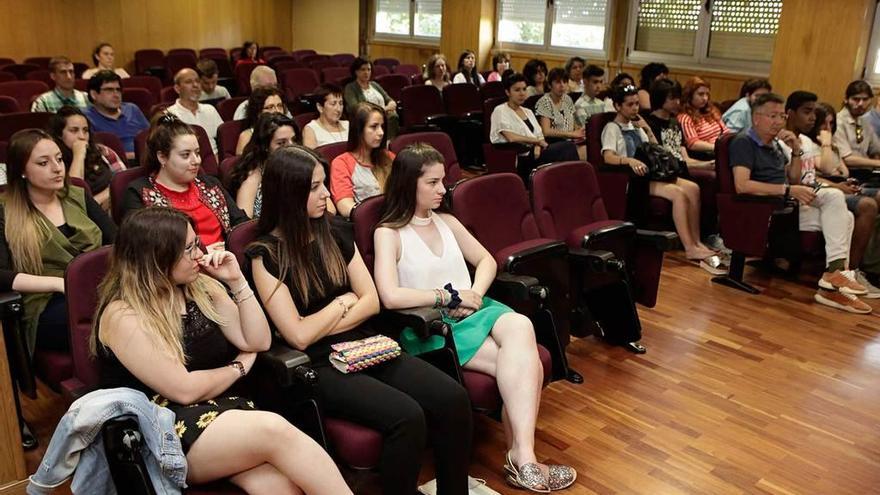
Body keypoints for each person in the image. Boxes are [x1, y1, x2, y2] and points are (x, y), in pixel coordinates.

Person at [246, 145, 473, 495]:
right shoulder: (265, 255)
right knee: (407, 417)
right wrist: (340, 306)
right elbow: (299, 336)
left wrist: (326, 317)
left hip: (367, 342)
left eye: (324, 184)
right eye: (314, 187)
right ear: (289, 194)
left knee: (453, 398)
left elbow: (370, 302)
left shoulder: (335, 231)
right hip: (320, 364)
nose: (326, 194)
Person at [93, 207, 352, 494]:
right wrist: (239, 367)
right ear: (156, 258)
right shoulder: (122, 315)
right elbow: (184, 391)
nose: (199, 254)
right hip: (163, 428)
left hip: (225, 408)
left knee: (280, 487)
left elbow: (257, 341)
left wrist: (235, 281)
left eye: (197, 243)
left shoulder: (199, 286)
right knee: (275, 430)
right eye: (188, 249)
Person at [373, 143, 577, 492]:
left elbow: (486, 261)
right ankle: (522, 459)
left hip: (474, 310)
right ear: (409, 183)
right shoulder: (388, 233)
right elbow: (389, 295)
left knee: (521, 324)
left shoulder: (448, 221)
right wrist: (445, 296)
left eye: (442, 182)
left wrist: (476, 295)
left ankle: (522, 455)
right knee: (527, 366)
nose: (442, 190)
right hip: (433, 326)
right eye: (433, 183)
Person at [730, 93, 869, 313]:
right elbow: (742, 185)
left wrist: (796, 150)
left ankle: (834, 281)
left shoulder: (775, 144)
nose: (778, 121)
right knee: (840, 206)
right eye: (772, 116)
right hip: (768, 212)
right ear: (756, 118)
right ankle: (834, 282)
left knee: (843, 210)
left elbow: (794, 178)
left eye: (781, 116)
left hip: (787, 205)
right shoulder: (743, 142)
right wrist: (787, 190)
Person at [0, 129, 115, 355]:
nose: (57, 168)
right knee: (114, 317)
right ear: (22, 170)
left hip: (98, 285)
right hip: (47, 301)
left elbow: (119, 240)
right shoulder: (4, 210)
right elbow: (0, 274)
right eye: (43, 163)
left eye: (60, 159)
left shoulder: (77, 193)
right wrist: (58, 283)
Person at [602, 84, 721, 272]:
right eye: (630, 105)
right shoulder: (612, 127)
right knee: (678, 194)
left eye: (636, 104)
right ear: (618, 106)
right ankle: (689, 248)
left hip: (650, 173)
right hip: (631, 179)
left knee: (693, 188)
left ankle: (697, 241)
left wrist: (647, 130)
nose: (635, 108)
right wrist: (629, 160)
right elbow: (608, 156)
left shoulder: (637, 125)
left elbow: (655, 149)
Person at [785, 91, 880, 297]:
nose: (812, 117)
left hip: (816, 195)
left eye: (813, 112)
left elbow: (814, 176)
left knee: (846, 215)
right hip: (797, 201)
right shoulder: (786, 142)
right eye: (807, 112)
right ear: (790, 114)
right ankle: (839, 274)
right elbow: (799, 180)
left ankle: (841, 279)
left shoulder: (806, 142)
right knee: (844, 201)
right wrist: (834, 186)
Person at [121, 115, 248, 250]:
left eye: (197, 153)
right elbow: (146, 248)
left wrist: (228, 249)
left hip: (226, 259)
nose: (196, 161)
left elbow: (241, 225)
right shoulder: (139, 192)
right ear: (162, 157)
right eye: (185, 155)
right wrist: (203, 253)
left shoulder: (210, 184)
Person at [489, 72, 579, 180]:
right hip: (518, 156)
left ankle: (568, 183)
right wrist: (536, 142)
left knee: (567, 148)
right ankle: (574, 182)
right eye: (517, 90)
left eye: (524, 89)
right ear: (508, 92)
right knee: (567, 147)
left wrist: (537, 146)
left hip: (536, 152)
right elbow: (511, 137)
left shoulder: (527, 111)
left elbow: (539, 134)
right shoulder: (500, 110)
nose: (522, 93)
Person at [47, 106, 126, 209]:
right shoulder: (54, 162)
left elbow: (124, 181)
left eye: (85, 130)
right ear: (59, 135)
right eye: (74, 130)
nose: (82, 136)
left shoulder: (103, 151)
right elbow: (73, 200)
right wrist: (78, 155)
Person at [330, 102, 394, 218]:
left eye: (382, 126)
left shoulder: (389, 157)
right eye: (374, 127)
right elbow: (345, 206)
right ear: (359, 130)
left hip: (396, 218)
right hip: (366, 224)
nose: (381, 132)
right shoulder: (342, 163)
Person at [228, 113, 298, 218]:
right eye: (281, 143)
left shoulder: (302, 165)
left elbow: (329, 209)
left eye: (294, 140)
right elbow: (244, 224)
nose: (291, 146)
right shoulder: (252, 178)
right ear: (265, 146)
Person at [83, 70, 149, 160]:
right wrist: (134, 156)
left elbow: (151, 138)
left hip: (145, 161)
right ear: (94, 94)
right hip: (112, 166)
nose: (116, 95)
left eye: (118, 90)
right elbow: (95, 152)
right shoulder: (86, 117)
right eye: (109, 90)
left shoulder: (132, 109)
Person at [167, 68, 224, 154]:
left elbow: (224, 138)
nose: (195, 85)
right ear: (177, 88)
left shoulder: (210, 109)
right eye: (189, 82)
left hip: (215, 159)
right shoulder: (170, 115)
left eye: (197, 81)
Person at [343, 57, 399, 140]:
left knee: (393, 116)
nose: (366, 73)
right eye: (363, 70)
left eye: (369, 70)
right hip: (367, 119)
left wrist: (391, 104)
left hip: (384, 116)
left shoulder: (374, 84)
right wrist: (384, 109)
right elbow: (356, 108)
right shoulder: (350, 88)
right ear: (356, 71)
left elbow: (390, 100)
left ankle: (390, 143)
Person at [534, 68, 585, 159]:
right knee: (574, 149)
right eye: (558, 82)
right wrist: (571, 134)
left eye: (564, 82)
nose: (562, 85)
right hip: (552, 144)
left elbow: (573, 125)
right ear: (550, 85)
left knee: (588, 147)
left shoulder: (567, 99)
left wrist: (580, 131)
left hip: (570, 141)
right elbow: (546, 131)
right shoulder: (544, 102)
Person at [677, 76, 729, 160]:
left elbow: (726, 132)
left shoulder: (712, 110)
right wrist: (717, 147)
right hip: (707, 155)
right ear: (689, 95)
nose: (705, 98)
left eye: (707, 94)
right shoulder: (685, 118)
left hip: (722, 149)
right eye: (700, 94)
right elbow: (693, 144)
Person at [833, 80, 880, 170]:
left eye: (865, 99)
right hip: (848, 174)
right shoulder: (838, 122)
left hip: (866, 173)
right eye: (856, 99)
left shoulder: (863, 121)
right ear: (846, 99)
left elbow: (876, 148)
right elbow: (847, 159)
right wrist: (877, 163)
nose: (860, 104)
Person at [235, 87, 288, 155]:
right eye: (270, 107)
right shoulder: (247, 137)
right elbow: (245, 164)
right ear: (258, 112)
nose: (277, 111)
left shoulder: (289, 131)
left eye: (280, 106)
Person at [302, 83, 350, 149]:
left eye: (341, 103)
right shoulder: (311, 129)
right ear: (320, 107)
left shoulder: (348, 125)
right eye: (333, 104)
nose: (339, 109)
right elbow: (310, 158)